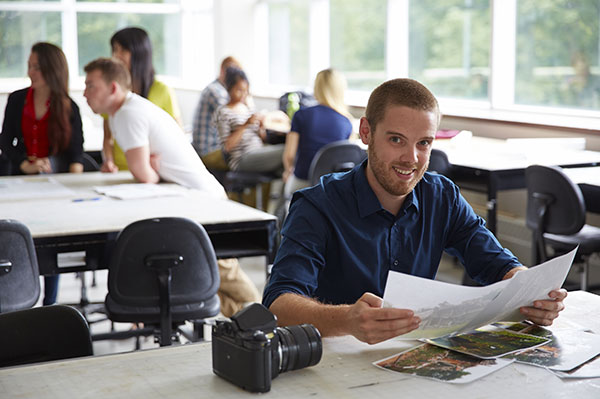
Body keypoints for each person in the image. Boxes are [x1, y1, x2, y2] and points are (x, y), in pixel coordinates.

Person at [262, 78, 567, 345]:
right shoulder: (318, 205)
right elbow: (278, 304)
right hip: (337, 364)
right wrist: (346, 320)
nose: (412, 158)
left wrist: (533, 293)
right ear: (366, 132)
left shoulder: (442, 196)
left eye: (424, 143)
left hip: (411, 356)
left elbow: (497, 263)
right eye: (396, 139)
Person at [83, 57, 260, 316]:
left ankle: (268, 322)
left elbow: (145, 176)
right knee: (215, 284)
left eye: (91, 86)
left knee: (225, 273)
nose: (85, 93)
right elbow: (146, 172)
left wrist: (149, 170)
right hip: (190, 200)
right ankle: (250, 324)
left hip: (203, 204)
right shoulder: (124, 112)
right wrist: (149, 169)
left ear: (112, 88)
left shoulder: (128, 114)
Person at [0, 42, 84, 305]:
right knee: (21, 236)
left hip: (53, 184)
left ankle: (51, 301)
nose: (30, 72)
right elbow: (5, 142)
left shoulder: (69, 106)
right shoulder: (16, 99)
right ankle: (17, 295)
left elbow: (75, 152)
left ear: (51, 68)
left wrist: (65, 172)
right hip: (20, 180)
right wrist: (23, 162)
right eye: (29, 66)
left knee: (51, 243)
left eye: (36, 66)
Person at [101, 27, 182, 173]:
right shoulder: (113, 91)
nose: (116, 56)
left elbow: (178, 137)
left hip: (154, 172)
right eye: (114, 50)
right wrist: (108, 161)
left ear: (139, 53)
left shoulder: (162, 90)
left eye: (123, 50)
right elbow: (108, 138)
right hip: (119, 172)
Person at [282, 68, 353, 196]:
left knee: (285, 188)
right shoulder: (347, 122)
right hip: (331, 188)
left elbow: (289, 156)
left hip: (303, 182)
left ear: (317, 88)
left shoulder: (301, 115)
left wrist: (288, 171)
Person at [215, 67, 285, 174]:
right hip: (242, 158)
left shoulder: (248, 108)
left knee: (284, 168)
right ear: (229, 88)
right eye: (239, 90)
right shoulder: (223, 112)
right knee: (287, 150)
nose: (243, 94)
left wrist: (261, 127)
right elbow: (227, 147)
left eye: (246, 90)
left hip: (258, 151)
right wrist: (245, 125)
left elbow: (262, 138)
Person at [192, 56, 241, 170]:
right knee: (248, 158)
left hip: (214, 147)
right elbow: (235, 117)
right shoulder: (216, 91)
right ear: (223, 71)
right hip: (208, 150)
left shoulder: (222, 90)